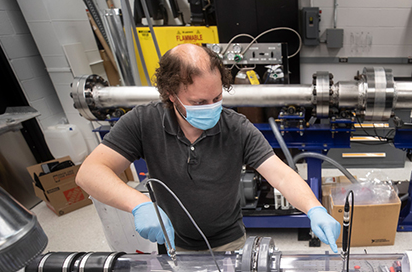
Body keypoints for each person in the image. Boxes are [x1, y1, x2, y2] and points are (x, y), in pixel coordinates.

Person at [77, 43, 341, 253]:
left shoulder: (236, 127)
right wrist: (139, 204)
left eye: (217, 98)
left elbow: (280, 174)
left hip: (229, 241)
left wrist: (314, 208)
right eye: (199, 101)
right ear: (171, 94)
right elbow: (89, 173)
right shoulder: (143, 121)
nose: (211, 107)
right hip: (174, 243)